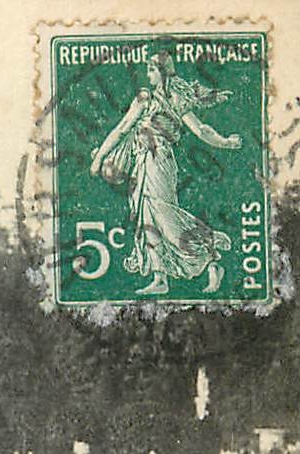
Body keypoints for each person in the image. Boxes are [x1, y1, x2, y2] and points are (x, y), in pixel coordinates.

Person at [90, 51, 243, 295]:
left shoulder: (175, 99)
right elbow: (121, 129)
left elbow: (201, 130)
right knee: (145, 217)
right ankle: (160, 277)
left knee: (164, 215)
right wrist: (99, 158)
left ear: (161, 71)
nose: (148, 75)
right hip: (141, 163)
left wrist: (225, 142)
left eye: (151, 70)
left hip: (160, 162)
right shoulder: (144, 99)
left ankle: (211, 254)